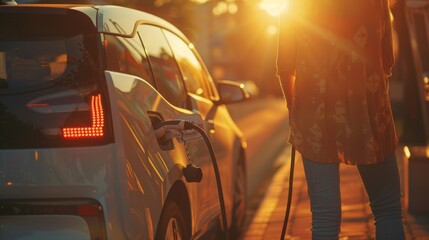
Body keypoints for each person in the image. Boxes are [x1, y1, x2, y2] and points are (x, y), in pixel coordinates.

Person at [276, 0, 406, 239]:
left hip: (314, 113)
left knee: (325, 216)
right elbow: (387, 62)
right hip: (369, 110)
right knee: (387, 209)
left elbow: (285, 65)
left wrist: (295, 111)